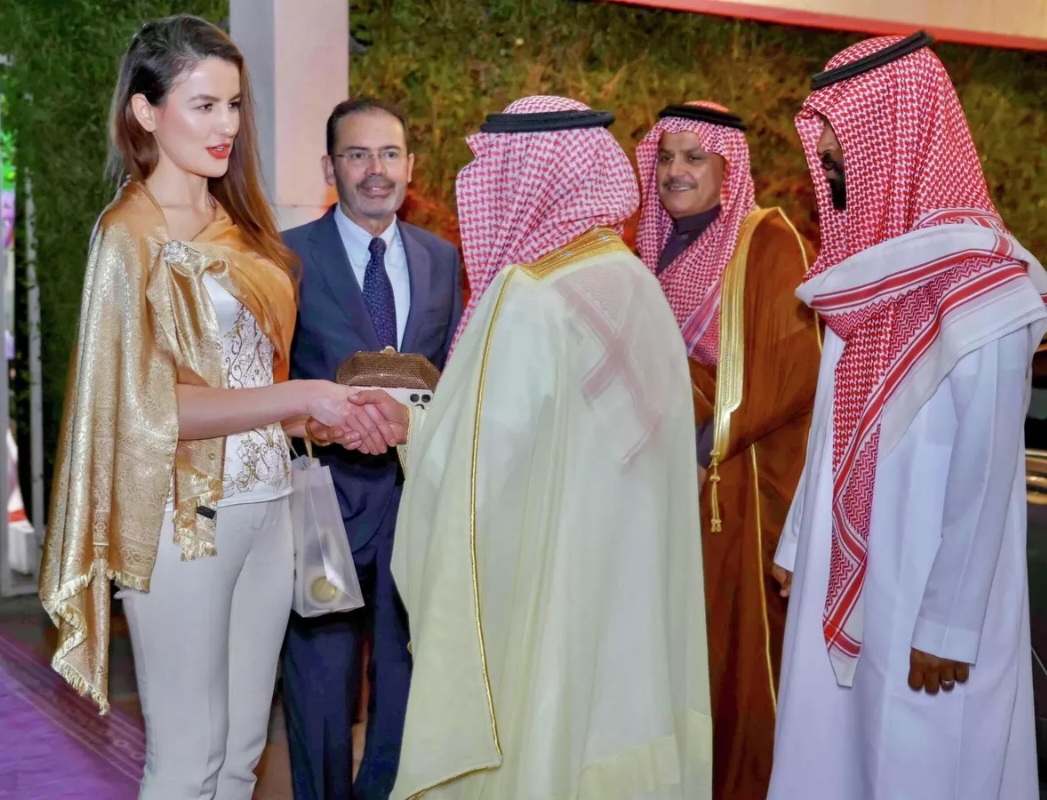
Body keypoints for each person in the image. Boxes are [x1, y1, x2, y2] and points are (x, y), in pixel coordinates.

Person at [37, 16, 388, 800]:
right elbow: (145, 411)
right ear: (145, 111)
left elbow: (248, 384)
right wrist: (302, 394)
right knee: (188, 757)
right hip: (181, 519)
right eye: (203, 105)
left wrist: (322, 417)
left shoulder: (238, 225)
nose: (226, 124)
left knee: (239, 753)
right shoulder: (127, 236)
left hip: (269, 506)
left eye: (232, 104)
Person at [341, 95, 713, 800]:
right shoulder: (634, 280)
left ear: (531, 179)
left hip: (554, 604)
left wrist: (413, 431)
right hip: (630, 597)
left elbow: (476, 469)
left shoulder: (532, 294)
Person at [769, 32, 1046, 800]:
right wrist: (799, 541)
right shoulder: (861, 284)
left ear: (894, 134)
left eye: (838, 133)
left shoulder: (984, 288)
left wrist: (948, 624)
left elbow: (986, 475)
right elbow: (833, 429)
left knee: (917, 762)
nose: (825, 153)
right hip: (844, 563)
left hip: (930, 591)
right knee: (829, 751)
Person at [635, 101, 819, 798]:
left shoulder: (767, 243)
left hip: (733, 484)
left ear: (727, 166)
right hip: (656, 483)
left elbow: (789, 370)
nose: (675, 171)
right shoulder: (644, 249)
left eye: (694, 157)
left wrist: (699, 436)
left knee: (729, 653)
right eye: (665, 157)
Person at [280, 97, 462, 800]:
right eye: (356, 155)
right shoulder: (286, 257)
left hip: (414, 504)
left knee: (406, 676)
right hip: (319, 504)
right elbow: (264, 376)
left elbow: (450, 375)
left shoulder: (441, 258)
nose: (375, 170)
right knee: (320, 688)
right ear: (330, 169)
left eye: (388, 154)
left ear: (410, 166)